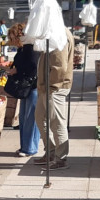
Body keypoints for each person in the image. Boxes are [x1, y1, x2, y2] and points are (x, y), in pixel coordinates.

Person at [34, 27, 75, 171]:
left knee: (57, 122)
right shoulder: (53, 32)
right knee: (40, 118)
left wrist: (52, 86)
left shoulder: (59, 33)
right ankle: (51, 151)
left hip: (55, 87)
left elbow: (60, 65)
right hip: (47, 87)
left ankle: (61, 158)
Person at [6, 24, 41, 157]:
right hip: (27, 87)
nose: (12, 41)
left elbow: (33, 66)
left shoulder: (30, 47)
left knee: (31, 117)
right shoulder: (24, 48)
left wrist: (17, 70)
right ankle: (25, 146)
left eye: (13, 37)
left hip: (32, 86)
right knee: (24, 117)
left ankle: (30, 148)